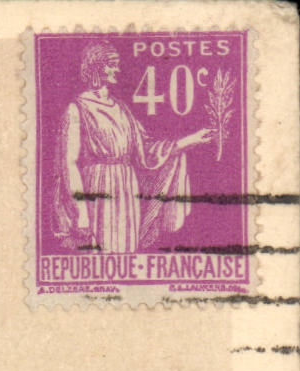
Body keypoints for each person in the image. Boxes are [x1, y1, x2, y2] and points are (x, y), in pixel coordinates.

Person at [53, 41, 213, 254]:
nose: (118, 69)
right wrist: (81, 211)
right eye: (112, 64)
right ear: (97, 67)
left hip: (127, 189)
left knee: (125, 252)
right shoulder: (77, 109)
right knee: (100, 254)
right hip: (98, 189)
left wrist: (189, 141)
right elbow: (68, 165)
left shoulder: (121, 109)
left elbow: (145, 150)